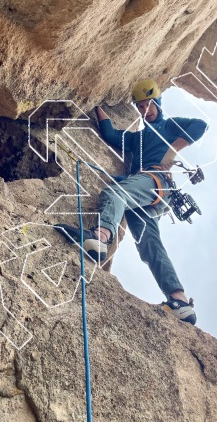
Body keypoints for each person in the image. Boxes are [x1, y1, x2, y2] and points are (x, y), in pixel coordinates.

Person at [55, 79, 208, 324]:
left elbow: (200, 126)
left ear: (157, 102)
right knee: (148, 242)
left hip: (156, 180)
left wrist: (173, 151)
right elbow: (111, 134)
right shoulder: (138, 138)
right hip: (151, 192)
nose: (144, 111)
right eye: (140, 108)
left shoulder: (169, 126)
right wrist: (96, 104)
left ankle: (101, 237)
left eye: (148, 105)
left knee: (115, 193)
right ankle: (179, 301)